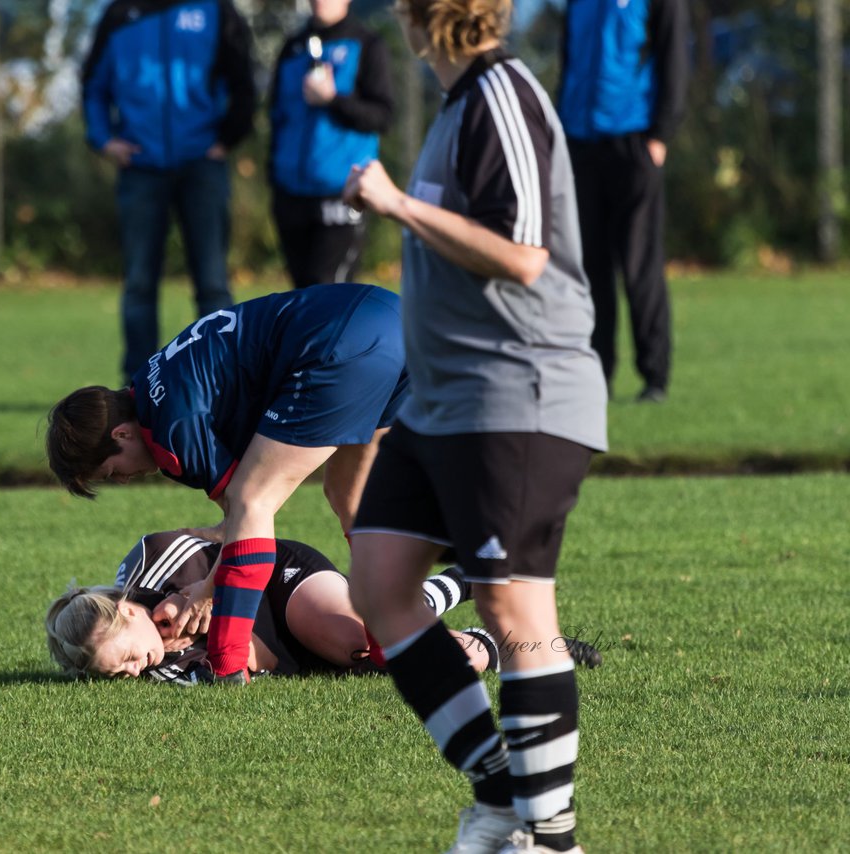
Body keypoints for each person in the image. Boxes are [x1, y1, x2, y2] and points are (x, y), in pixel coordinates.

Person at [341, 1, 606, 852]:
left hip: (518, 394)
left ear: (426, 16)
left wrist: (396, 205)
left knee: (513, 608)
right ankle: (500, 794)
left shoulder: (503, 94)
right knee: (379, 585)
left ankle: (551, 836)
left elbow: (523, 254)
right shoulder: (459, 106)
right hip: (442, 402)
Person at [46, 283, 409, 683]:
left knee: (255, 498)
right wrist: (222, 540)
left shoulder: (172, 432)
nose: (126, 480)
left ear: (121, 435)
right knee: (352, 498)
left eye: (114, 472)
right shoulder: (152, 389)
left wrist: (205, 591)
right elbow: (238, 511)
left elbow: (249, 506)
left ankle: (227, 664)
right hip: (388, 315)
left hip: (338, 343)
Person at [46, 530, 521, 682]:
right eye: (118, 674)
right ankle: (500, 643)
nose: (134, 670)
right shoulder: (153, 670)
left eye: (127, 656)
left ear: (127, 611)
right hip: (286, 656)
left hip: (276, 582)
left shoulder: (156, 558)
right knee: (403, 664)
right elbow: (242, 668)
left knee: (363, 638)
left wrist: (210, 591)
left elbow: (239, 528)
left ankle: (466, 577)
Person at [81, 0, 257, 380]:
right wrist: (103, 139)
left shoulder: (216, 11)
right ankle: (138, 386)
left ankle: (225, 380)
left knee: (213, 284)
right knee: (140, 285)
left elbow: (244, 80)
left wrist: (227, 139)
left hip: (201, 165)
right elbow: (93, 84)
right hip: (140, 167)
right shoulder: (118, 14)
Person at [558, 0, 689, 402]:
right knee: (589, 268)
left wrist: (660, 134)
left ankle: (654, 377)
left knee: (639, 265)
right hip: (581, 142)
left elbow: (674, 57)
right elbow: (570, 60)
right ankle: (597, 374)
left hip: (634, 141)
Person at [268, 0, 394, 288]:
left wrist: (333, 100)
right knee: (300, 299)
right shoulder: (292, 47)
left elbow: (383, 116)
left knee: (328, 292)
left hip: (341, 191)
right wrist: (273, 177)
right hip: (291, 193)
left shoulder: (367, 44)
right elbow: (276, 117)